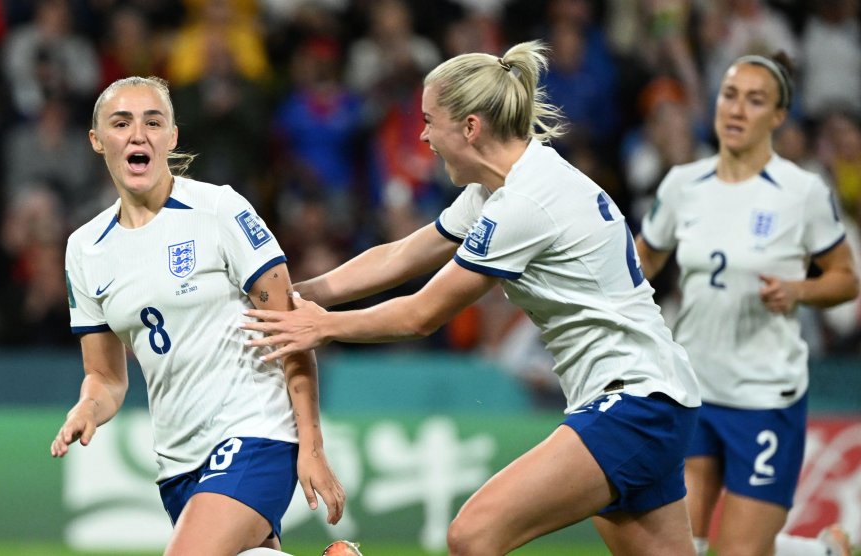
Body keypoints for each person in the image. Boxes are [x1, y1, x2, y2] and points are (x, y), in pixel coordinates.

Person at [241, 41, 702, 556]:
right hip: (652, 398)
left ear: (470, 127)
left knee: (473, 535)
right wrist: (290, 293)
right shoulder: (505, 186)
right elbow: (399, 257)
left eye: (428, 120)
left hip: (632, 404)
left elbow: (423, 314)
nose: (422, 136)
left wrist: (322, 326)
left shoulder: (523, 203)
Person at [49, 76, 346, 556]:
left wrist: (311, 447)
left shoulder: (219, 209)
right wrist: (87, 407)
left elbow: (291, 328)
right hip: (178, 461)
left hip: (255, 432)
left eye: (153, 122)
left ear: (172, 137)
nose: (138, 135)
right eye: (121, 123)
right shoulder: (84, 248)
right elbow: (105, 377)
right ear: (97, 140)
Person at [634, 54, 858, 556]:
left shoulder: (801, 193)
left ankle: (822, 552)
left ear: (778, 117)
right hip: (692, 390)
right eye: (730, 96)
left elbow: (846, 280)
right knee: (678, 548)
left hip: (763, 397)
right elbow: (643, 258)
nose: (736, 110)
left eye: (755, 101)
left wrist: (800, 290)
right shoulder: (682, 185)